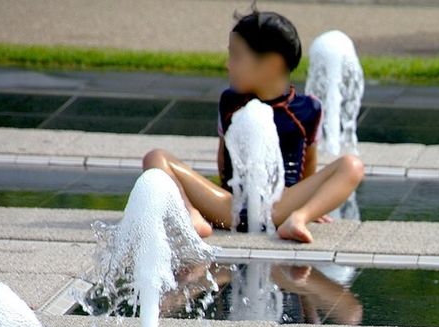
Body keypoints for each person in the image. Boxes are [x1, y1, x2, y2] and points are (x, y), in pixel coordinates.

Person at [142, 6, 364, 243]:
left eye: (236, 57)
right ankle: (190, 215)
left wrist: (308, 203)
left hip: (280, 205)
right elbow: (223, 161)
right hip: (230, 206)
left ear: (271, 64)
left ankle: (299, 218)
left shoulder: (308, 109)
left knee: (352, 165)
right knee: (155, 158)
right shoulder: (229, 101)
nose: (229, 65)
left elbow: (308, 162)